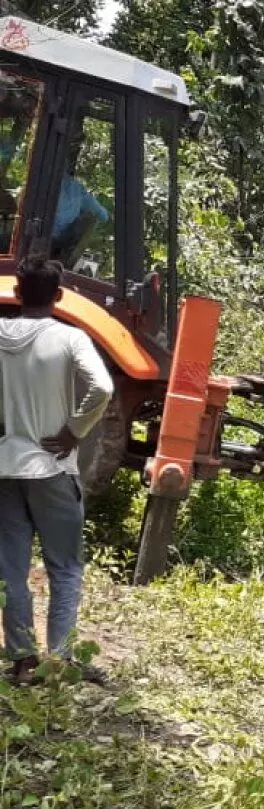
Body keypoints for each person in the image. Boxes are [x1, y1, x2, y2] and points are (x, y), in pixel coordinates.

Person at [0, 257, 113, 683]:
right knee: (64, 567)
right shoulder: (70, 338)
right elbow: (102, 387)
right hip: (52, 467)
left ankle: (23, 660)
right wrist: (74, 431)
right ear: (60, 296)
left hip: (5, 469)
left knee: (10, 569)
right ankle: (61, 658)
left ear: (15, 293)